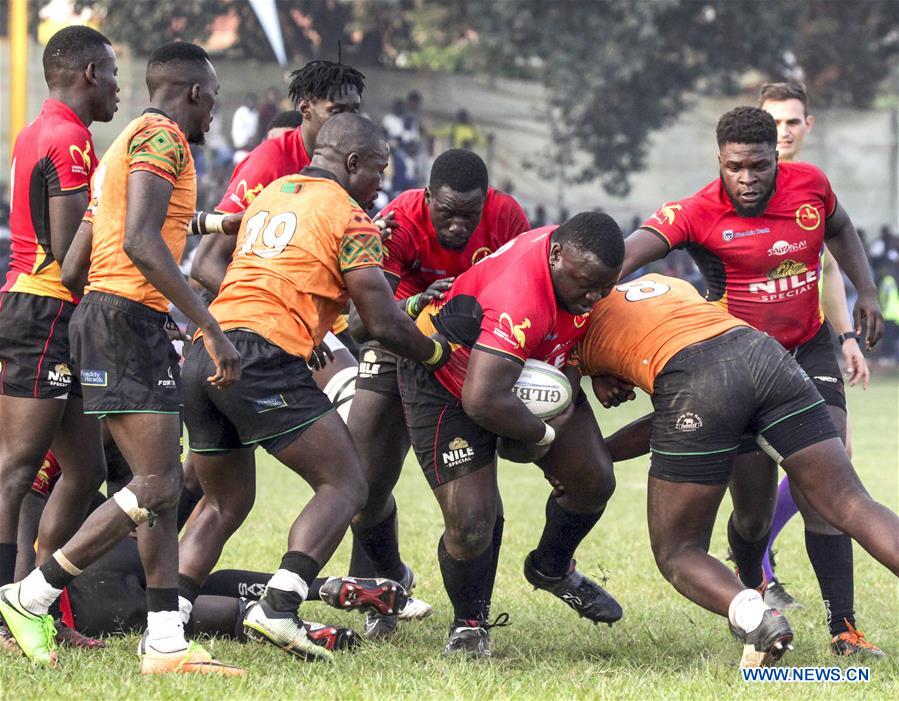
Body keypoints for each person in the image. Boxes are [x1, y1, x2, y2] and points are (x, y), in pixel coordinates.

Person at [0, 41, 243, 676]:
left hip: (104, 317)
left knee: (157, 486)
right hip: (126, 321)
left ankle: (163, 642)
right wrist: (209, 325)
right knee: (158, 484)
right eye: (213, 97)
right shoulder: (165, 141)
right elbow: (140, 240)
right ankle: (30, 595)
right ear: (194, 92)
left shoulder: (119, 145)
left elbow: (78, 257)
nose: (215, 110)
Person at [176, 113, 452, 663]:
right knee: (348, 484)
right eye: (378, 169)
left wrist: (330, 319)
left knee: (224, 500)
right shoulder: (350, 218)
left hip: (205, 350)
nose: (383, 183)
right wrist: (438, 354)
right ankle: (278, 606)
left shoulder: (276, 192)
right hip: (260, 357)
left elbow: (320, 293)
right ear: (352, 162)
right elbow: (378, 322)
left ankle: (168, 619)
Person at [620, 106, 885, 657]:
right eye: (736, 167)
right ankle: (754, 589)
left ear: (775, 160)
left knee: (829, 494)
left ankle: (845, 630)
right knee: (752, 514)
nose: (747, 179)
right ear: (719, 160)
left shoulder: (811, 186)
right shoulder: (693, 212)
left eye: (759, 166)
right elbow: (624, 258)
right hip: (739, 370)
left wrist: (870, 292)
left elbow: (840, 228)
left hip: (806, 352)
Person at [580, 273, 899, 668]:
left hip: (718, 374)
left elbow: (687, 401)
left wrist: (590, 456)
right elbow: (677, 411)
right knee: (818, 508)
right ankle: (754, 582)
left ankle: (767, 618)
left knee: (678, 550)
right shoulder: (667, 284)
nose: (620, 394)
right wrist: (604, 449)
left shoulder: (580, 327)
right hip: (762, 355)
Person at [397, 212, 625, 657]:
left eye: (605, 287)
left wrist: (584, 376)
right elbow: (482, 400)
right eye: (585, 284)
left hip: (528, 370)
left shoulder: (581, 268)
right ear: (556, 255)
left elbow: (574, 337)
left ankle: (552, 569)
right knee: (472, 523)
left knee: (593, 480)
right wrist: (540, 436)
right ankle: (469, 625)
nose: (594, 296)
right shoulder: (521, 295)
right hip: (449, 381)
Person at [345, 148, 530, 638]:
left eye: (470, 215)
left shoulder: (507, 216)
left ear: (486, 203)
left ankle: (472, 623)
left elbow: (526, 293)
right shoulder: (400, 219)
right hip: (399, 342)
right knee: (361, 486)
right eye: (447, 213)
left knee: (474, 504)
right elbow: (361, 322)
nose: (458, 226)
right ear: (427, 197)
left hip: (467, 355)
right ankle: (384, 586)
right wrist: (412, 305)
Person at [0, 26, 119, 650]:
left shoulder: (35, 129)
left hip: (51, 314)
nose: (121, 90)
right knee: (16, 470)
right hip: (42, 311)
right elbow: (73, 249)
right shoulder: (69, 138)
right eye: (116, 75)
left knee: (85, 469)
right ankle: (2, 615)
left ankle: (29, 602)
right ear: (92, 72)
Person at [756, 81, 870, 612]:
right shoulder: (742, 182)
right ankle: (757, 569)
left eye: (792, 122)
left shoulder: (814, 188)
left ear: (808, 126)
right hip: (751, 347)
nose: (783, 131)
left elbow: (828, 269)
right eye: (772, 121)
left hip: (812, 342)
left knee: (832, 460)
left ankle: (841, 622)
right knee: (753, 486)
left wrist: (846, 337)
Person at [230, 92, 258, 163]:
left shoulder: (255, 113)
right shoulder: (241, 112)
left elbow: (255, 130)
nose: (252, 103)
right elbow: (237, 131)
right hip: (241, 146)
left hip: (252, 146)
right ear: (246, 101)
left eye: (253, 101)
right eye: (250, 101)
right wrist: (246, 140)